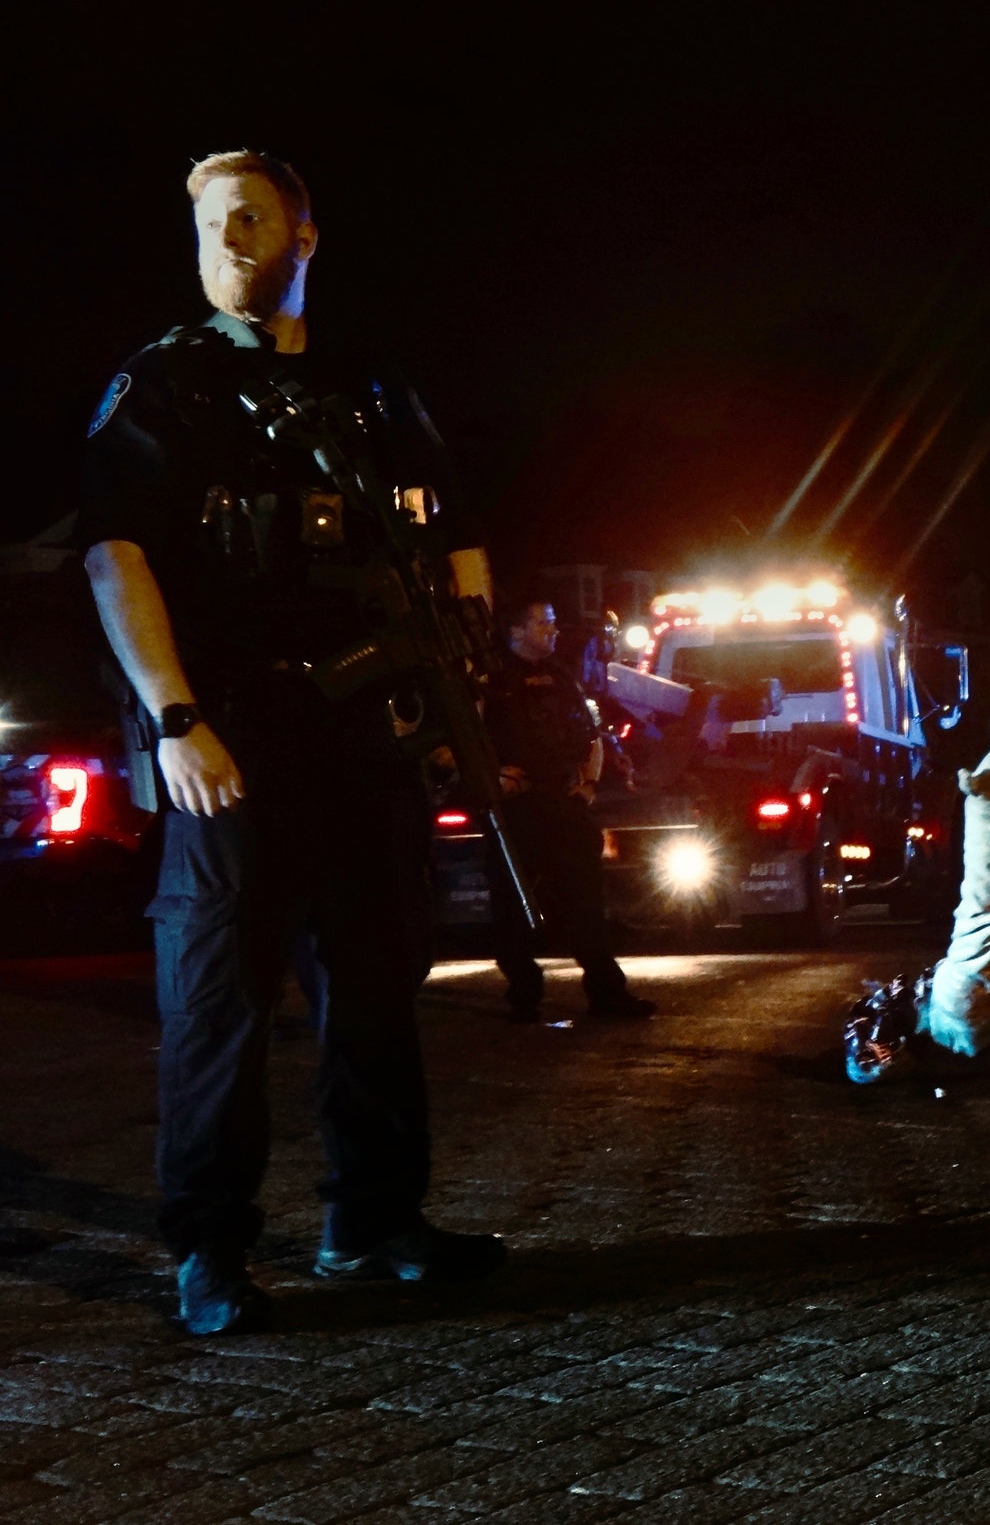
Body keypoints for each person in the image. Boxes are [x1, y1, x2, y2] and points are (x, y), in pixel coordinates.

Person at [79, 151, 507, 1336]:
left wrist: (460, 659)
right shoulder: (164, 386)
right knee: (218, 1007)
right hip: (230, 742)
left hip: (363, 739)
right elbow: (117, 558)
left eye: (252, 218)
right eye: (211, 224)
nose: (228, 240)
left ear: (305, 238)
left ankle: (372, 1221)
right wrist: (174, 715)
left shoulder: (371, 386)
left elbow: (455, 528)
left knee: (377, 992)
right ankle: (208, 1254)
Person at [485, 596, 655, 1022]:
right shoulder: (490, 679)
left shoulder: (562, 677)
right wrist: (494, 779)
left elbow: (590, 733)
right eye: (543, 622)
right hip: (515, 811)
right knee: (511, 906)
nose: (553, 630)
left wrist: (589, 785)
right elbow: (466, 737)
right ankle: (523, 994)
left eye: (553, 621)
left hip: (562, 805)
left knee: (586, 903)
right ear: (516, 631)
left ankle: (606, 993)